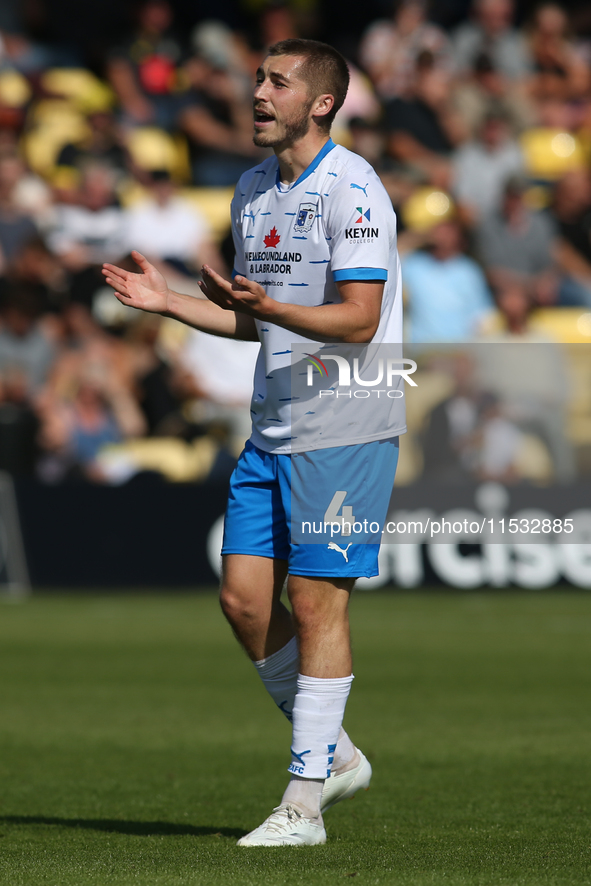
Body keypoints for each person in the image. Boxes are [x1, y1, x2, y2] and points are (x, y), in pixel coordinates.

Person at [102, 38, 404, 847]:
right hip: (272, 426)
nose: (257, 93)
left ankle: (302, 805)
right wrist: (168, 301)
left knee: (313, 605)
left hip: (345, 424)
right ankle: (333, 752)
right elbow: (253, 314)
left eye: (277, 82)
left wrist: (266, 309)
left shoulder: (354, 186)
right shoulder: (248, 190)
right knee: (242, 603)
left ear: (322, 102)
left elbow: (358, 318)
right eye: (257, 79)